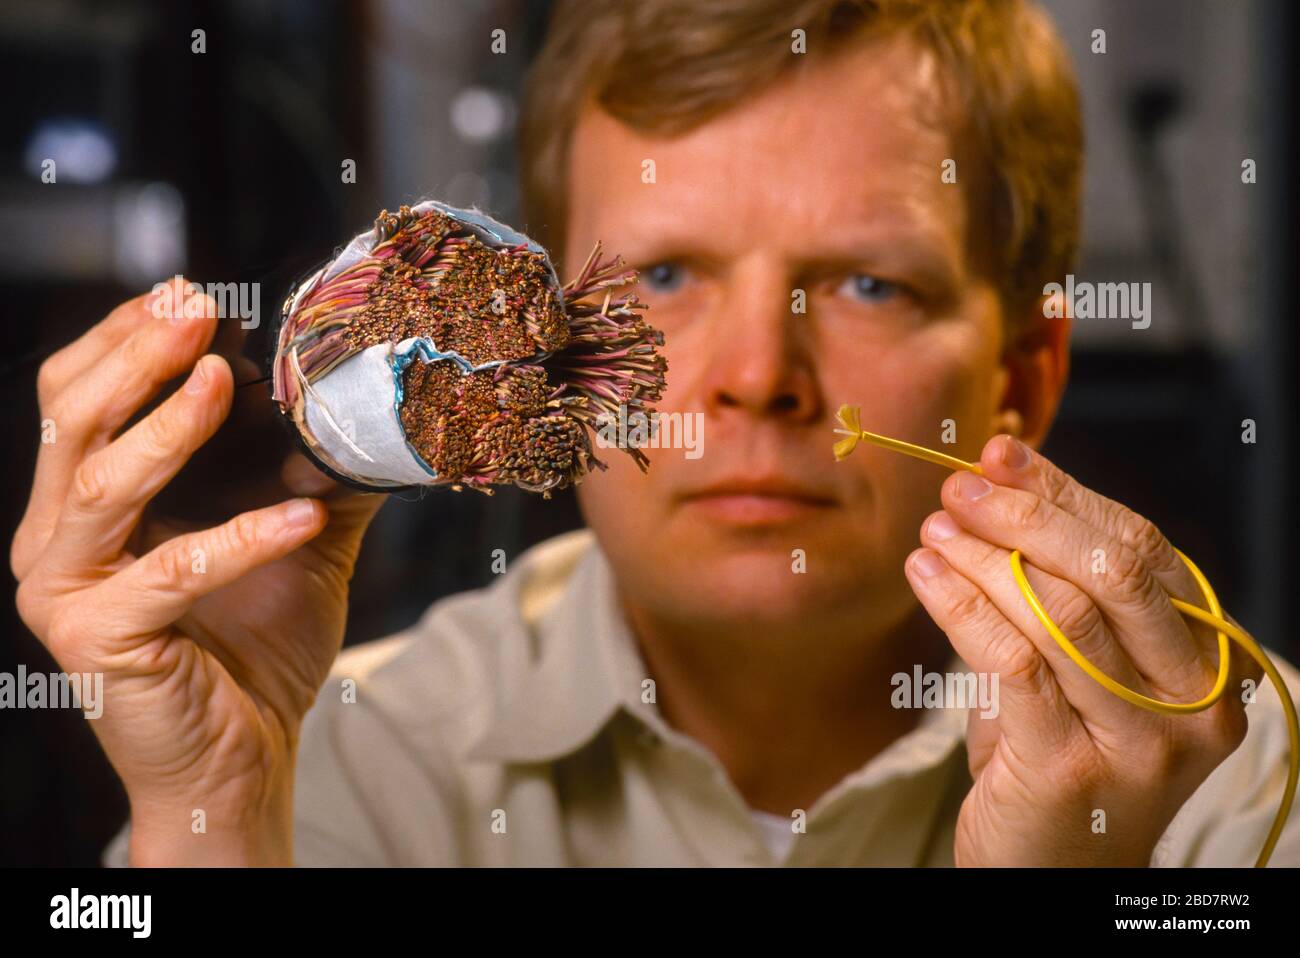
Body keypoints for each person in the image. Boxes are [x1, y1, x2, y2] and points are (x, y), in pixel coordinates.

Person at [13, 0, 1298, 867]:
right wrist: (216, 813)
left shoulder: (1229, 769)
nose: (753, 380)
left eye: (867, 285)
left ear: (1024, 371)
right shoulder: (346, 763)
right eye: (668, 277)